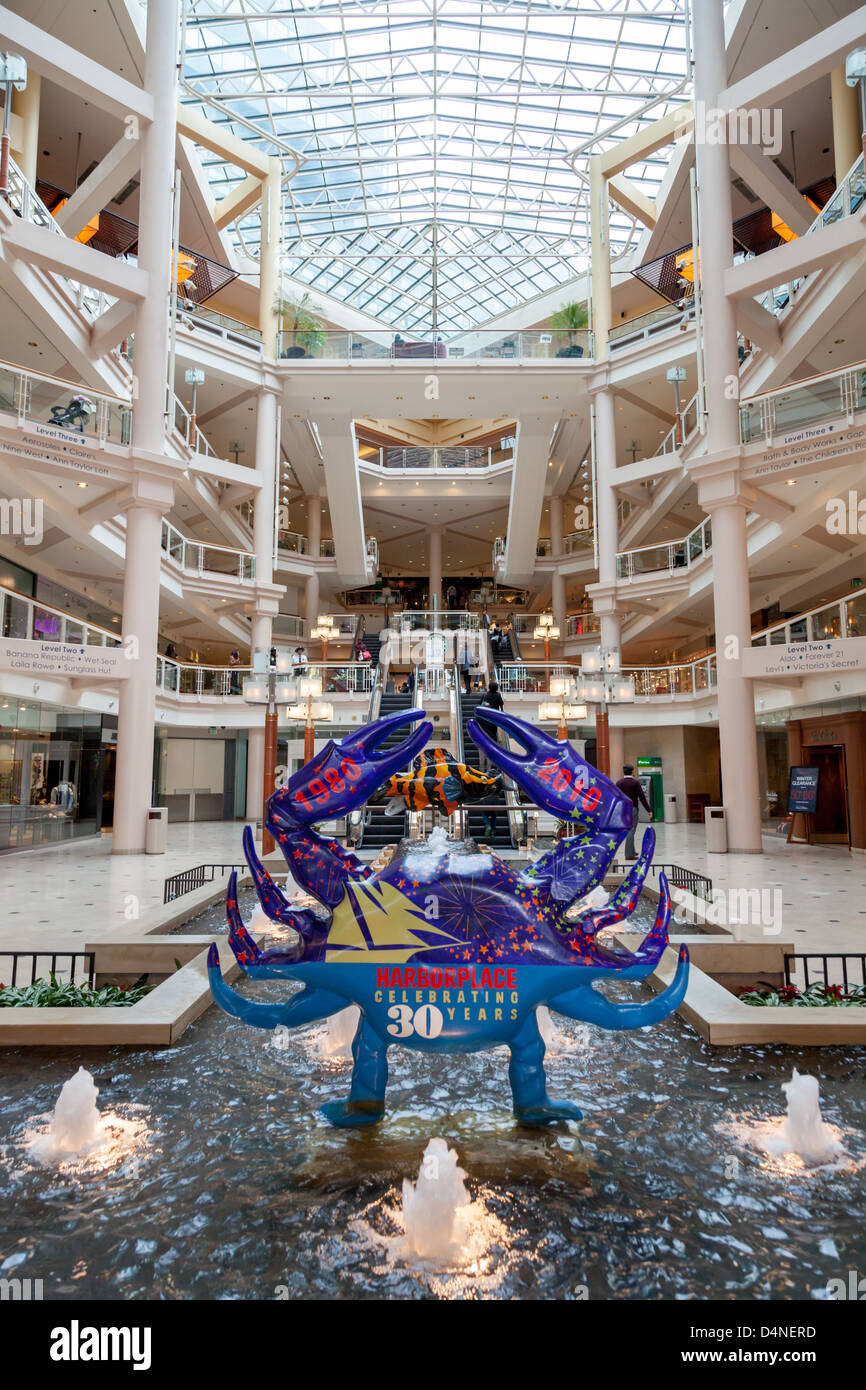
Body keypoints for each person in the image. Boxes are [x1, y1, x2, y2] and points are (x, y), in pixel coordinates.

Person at [616, 764, 653, 860]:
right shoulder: (635, 783)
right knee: (631, 830)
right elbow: (642, 797)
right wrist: (648, 810)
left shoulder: (619, 783)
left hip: (623, 809)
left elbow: (616, 797)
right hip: (632, 809)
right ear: (632, 771)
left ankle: (632, 851)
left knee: (630, 830)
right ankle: (629, 854)